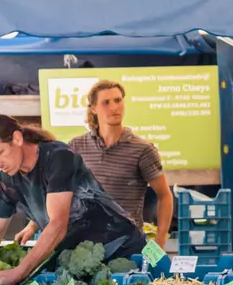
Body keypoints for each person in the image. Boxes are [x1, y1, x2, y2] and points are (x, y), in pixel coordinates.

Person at [0, 114, 147, 284]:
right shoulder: (7, 179)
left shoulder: (59, 157)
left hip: (121, 247)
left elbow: (57, 224)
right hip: (78, 259)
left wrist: (19, 272)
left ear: (17, 139)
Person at [15, 79, 173, 251]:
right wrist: (32, 226)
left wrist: (160, 240)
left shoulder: (143, 150)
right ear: (93, 108)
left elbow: (165, 196)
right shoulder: (76, 146)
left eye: (118, 100)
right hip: (81, 244)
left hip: (126, 244)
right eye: (106, 102)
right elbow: (57, 193)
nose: (114, 107)